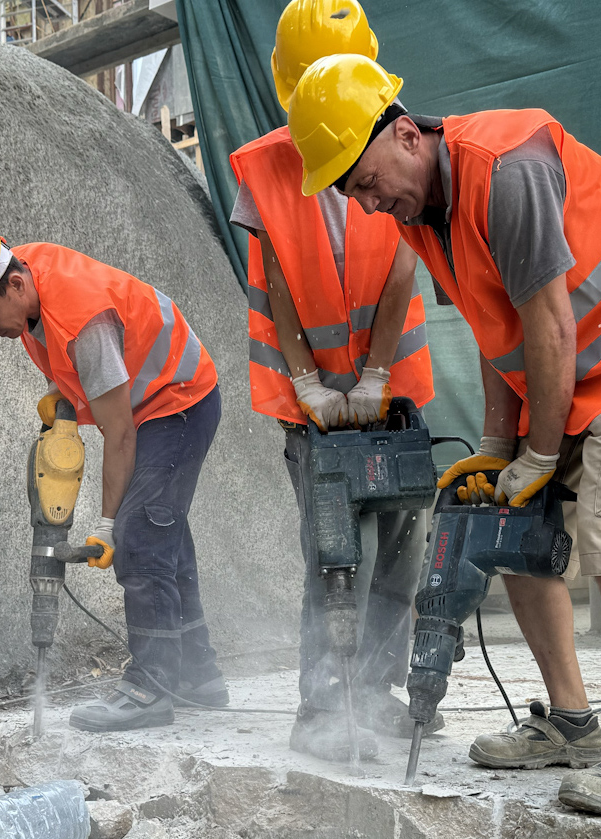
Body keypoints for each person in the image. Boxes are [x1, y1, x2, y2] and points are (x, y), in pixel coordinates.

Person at [286, 56, 601, 815]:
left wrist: (540, 452)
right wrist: (497, 449)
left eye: (363, 180)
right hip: (565, 357)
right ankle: (571, 723)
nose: (366, 202)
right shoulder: (421, 215)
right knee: (508, 518)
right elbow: (496, 326)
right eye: (352, 193)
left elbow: (547, 320)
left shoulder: (505, 171)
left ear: (406, 134)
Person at [228, 0, 436, 763]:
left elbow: (405, 259)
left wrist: (377, 372)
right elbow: (277, 280)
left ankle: (372, 697)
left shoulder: (397, 155)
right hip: (309, 402)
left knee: (401, 551)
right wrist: (311, 382)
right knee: (335, 553)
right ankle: (323, 705)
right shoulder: (266, 166)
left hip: (393, 394)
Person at [0, 223, 226, 731]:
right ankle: (197, 674)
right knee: (163, 528)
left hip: (178, 400)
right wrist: (69, 398)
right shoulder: (23, 274)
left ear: (12, 286)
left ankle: (151, 687)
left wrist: (106, 528)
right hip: (151, 399)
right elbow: (84, 372)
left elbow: (119, 433)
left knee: (141, 534)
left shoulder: (84, 324)